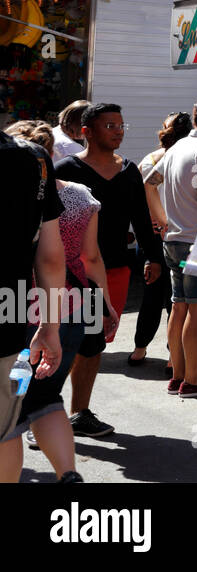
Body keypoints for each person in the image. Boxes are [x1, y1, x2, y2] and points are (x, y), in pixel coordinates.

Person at [1, 122, 115, 482]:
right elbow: (78, 258)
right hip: (31, 310)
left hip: (24, 311)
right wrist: (50, 325)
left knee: (22, 410)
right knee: (18, 418)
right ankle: (67, 474)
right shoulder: (45, 171)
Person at [55, 103, 164, 438]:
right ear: (87, 131)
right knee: (59, 343)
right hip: (67, 271)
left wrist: (152, 256)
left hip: (112, 269)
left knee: (93, 344)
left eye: (120, 125)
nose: (118, 131)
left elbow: (142, 218)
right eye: (110, 126)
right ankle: (41, 412)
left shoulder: (129, 170)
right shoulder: (65, 169)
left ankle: (79, 413)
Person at [146, 97, 197, 397]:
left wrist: (162, 218)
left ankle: (178, 374)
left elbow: (149, 183)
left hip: (174, 239)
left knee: (178, 306)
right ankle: (194, 379)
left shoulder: (177, 147)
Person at [0, 122, 65, 483]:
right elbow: (51, 257)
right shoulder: (34, 158)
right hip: (5, 320)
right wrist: (49, 327)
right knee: (4, 433)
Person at [132, 112, 192, 367]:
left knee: (151, 293)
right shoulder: (188, 159)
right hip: (180, 234)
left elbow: (138, 199)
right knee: (176, 298)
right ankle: (173, 356)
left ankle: (139, 348)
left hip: (152, 236)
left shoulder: (149, 160)